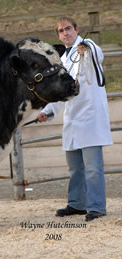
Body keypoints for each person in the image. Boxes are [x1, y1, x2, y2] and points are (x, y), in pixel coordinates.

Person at [36, 16, 113, 221]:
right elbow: (61, 93)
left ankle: (96, 207)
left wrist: (86, 47)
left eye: (68, 29)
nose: (65, 33)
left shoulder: (87, 47)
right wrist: (47, 111)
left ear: (77, 29)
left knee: (93, 168)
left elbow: (99, 54)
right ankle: (77, 204)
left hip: (90, 117)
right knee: (75, 168)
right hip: (72, 119)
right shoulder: (62, 60)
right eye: (60, 31)